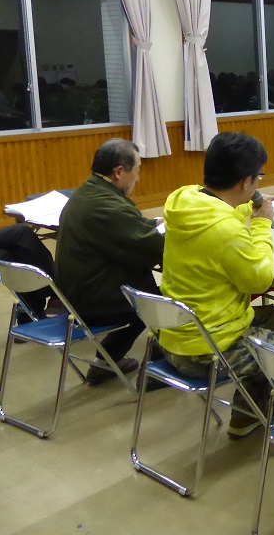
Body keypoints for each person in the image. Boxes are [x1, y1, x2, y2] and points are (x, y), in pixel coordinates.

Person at [159, 132, 274, 438]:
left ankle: (250, 411)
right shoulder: (227, 231)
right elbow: (260, 279)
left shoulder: (185, 201)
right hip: (207, 351)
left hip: (174, 336)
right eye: (258, 177)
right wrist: (261, 224)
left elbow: (221, 215)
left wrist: (249, 209)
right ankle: (253, 413)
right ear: (246, 181)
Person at [53, 139, 164, 385]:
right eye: (137, 170)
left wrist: (153, 223)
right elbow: (152, 247)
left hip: (74, 292)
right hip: (91, 301)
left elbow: (126, 229)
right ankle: (162, 368)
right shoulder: (106, 205)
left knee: (146, 288)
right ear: (119, 172)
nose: (138, 178)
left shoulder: (89, 191)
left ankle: (105, 363)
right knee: (159, 299)